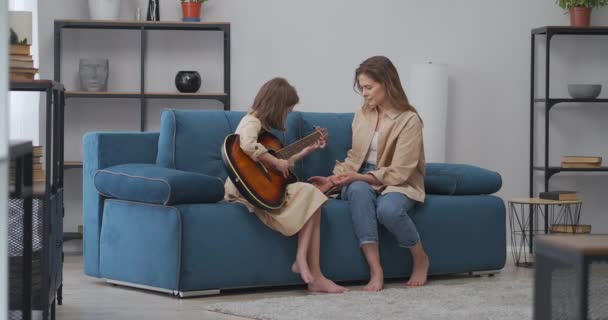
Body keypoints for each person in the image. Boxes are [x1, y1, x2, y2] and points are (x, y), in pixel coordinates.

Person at [308, 56, 430, 291]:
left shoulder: (409, 120)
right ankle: (376, 270)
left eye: (368, 87)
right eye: (361, 88)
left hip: (398, 181)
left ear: (387, 83)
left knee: (389, 210)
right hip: (361, 178)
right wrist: (334, 180)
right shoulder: (362, 113)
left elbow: (401, 171)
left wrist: (360, 177)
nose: (364, 93)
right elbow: (355, 157)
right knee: (357, 190)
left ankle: (420, 257)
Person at [224, 77, 347, 294]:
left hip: (260, 183)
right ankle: (308, 267)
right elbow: (248, 145)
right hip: (246, 189)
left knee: (314, 196)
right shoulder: (251, 122)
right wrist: (276, 161)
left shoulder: (263, 130)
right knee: (311, 193)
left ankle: (308, 268)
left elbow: (277, 164)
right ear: (277, 106)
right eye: (288, 110)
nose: (288, 115)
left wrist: (307, 149)